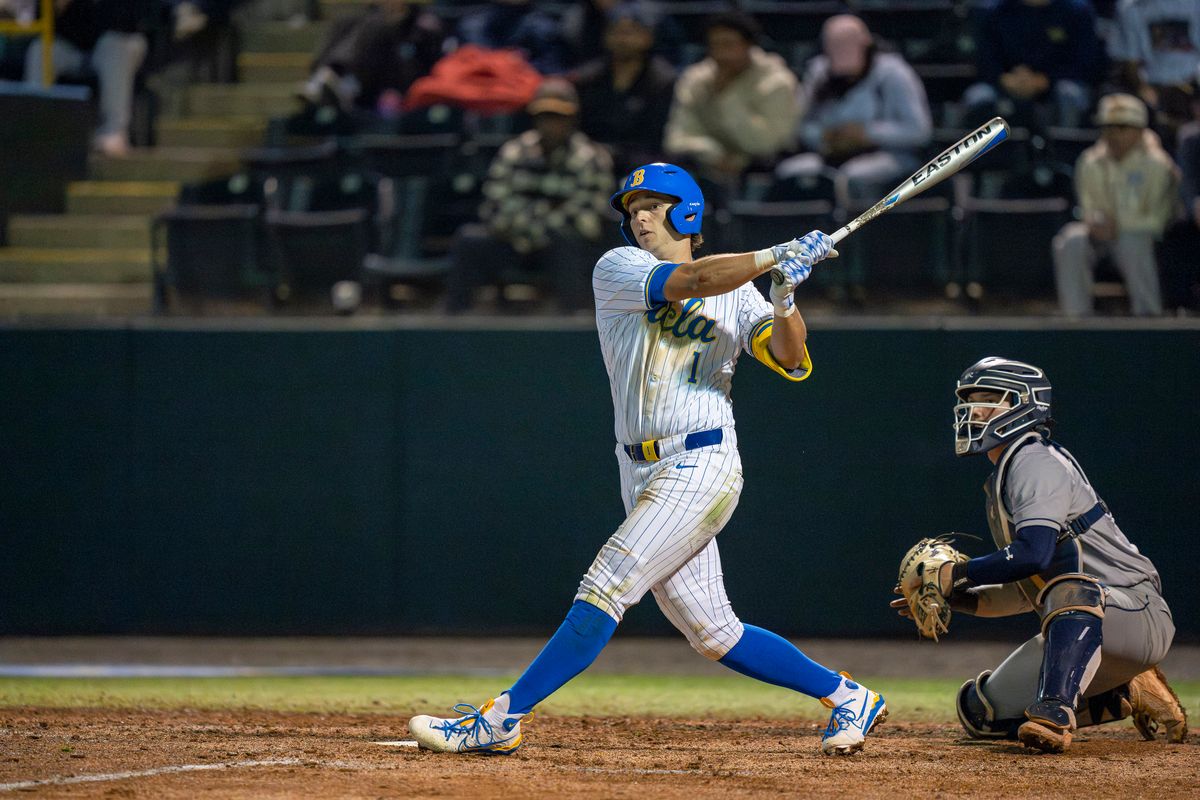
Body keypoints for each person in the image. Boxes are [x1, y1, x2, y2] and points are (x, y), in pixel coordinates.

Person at [409, 162, 887, 756]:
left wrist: (785, 299)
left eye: (654, 203)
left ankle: (501, 718)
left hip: (702, 463)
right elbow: (692, 282)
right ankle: (849, 696)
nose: (638, 214)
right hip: (638, 467)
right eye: (632, 206)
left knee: (607, 582)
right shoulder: (618, 268)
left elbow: (790, 360)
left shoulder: (739, 293)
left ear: (687, 211)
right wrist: (775, 255)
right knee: (714, 632)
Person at [893, 357, 1187, 753]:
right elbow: (1027, 586)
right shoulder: (1009, 472)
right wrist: (952, 595)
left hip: (1135, 609)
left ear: (1024, 404)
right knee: (980, 714)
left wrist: (956, 573)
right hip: (1092, 619)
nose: (973, 410)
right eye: (970, 400)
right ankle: (1126, 691)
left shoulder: (1034, 460)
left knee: (1073, 592)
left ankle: (1056, 713)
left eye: (987, 399)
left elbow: (1032, 555)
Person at [443, 78, 613, 313]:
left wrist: (530, 220)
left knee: (570, 242)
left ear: (573, 118)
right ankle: (454, 321)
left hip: (559, 246)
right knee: (468, 240)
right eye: (545, 116)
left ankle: (572, 326)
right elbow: (494, 208)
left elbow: (587, 220)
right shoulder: (514, 152)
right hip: (513, 242)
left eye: (559, 117)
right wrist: (546, 214)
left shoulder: (592, 158)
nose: (551, 124)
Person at [777, 14, 932, 202]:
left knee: (852, 176)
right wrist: (825, 137)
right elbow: (801, 126)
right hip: (831, 154)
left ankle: (861, 229)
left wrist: (867, 134)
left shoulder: (893, 73)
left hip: (889, 155)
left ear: (866, 45)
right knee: (790, 171)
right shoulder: (819, 71)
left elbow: (920, 131)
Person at [1052, 92, 1180, 316]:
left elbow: (1158, 221)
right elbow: (1088, 206)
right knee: (1071, 239)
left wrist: (1117, 225)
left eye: (1123, 127)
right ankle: (1077, 319)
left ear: (1139, 129)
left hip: (1144, 236)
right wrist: (1093, 221)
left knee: (1133, 243)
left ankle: (1148, 318)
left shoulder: (1157, 164)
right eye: (1108, 126)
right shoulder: (1090, 161)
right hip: (1103, 237)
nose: (1113, 134)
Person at [663, 11, 799, 184]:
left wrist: (726, 96)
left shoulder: (777, 82)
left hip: (764, 171)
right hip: (705, 166)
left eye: (728, 45)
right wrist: (713, 153)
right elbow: (677, 138)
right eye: (715, 45)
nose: (721, 54)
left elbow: (766, 145)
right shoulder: (695, 79)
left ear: (749, 45)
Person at [22, 0, 156, 157]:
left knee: (114, 46)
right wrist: (58, 7)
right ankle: (33, 129)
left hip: (121, 43)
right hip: (76, 48)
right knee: (40, 49)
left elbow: (129, 20)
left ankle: (114, 131)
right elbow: (41, 21)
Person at [569, 2, 676, 175]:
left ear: (647, 37)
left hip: (643, 163)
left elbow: (657, 138)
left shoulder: (663, 81)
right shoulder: (588, 78)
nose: (622, 40)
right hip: (589, 159)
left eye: (630, 33)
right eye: (616, 32)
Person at [963, 0, 1103, 129]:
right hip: (1005, 84)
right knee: (978, 96)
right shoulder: (996, 10)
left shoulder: (1077, 10)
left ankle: (1066, 152)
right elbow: (984, 59)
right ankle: (981, 155)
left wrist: (1044, 80)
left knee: (1070, 94)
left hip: (1056, 84)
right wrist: (1004, 79)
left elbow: (1087, 62)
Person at [298, 0, 444, 115]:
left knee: (375, 26)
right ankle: (326, 78)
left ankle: (334, 81)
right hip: (363, 80)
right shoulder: (359, 21)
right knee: (345, 23)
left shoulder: (419, 23)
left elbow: (421, 64)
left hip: (394, 83)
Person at [1108, 0, 1200, 146]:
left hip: (1191, 85)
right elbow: (1130, 61)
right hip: (1149, 87)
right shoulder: (1129, 6)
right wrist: (1144, 91)